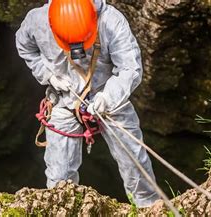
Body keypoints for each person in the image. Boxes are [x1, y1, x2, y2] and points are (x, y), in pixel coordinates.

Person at [15, 0, 159, 207]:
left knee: (134, 160)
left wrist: (108, 97)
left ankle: (148, 205)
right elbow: (24, 46)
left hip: (108, 96)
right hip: (64, 98)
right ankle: (61, 208)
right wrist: (48, 75)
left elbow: (129, 68)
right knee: (59, 173)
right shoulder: (37, 21)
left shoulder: (110, 20)